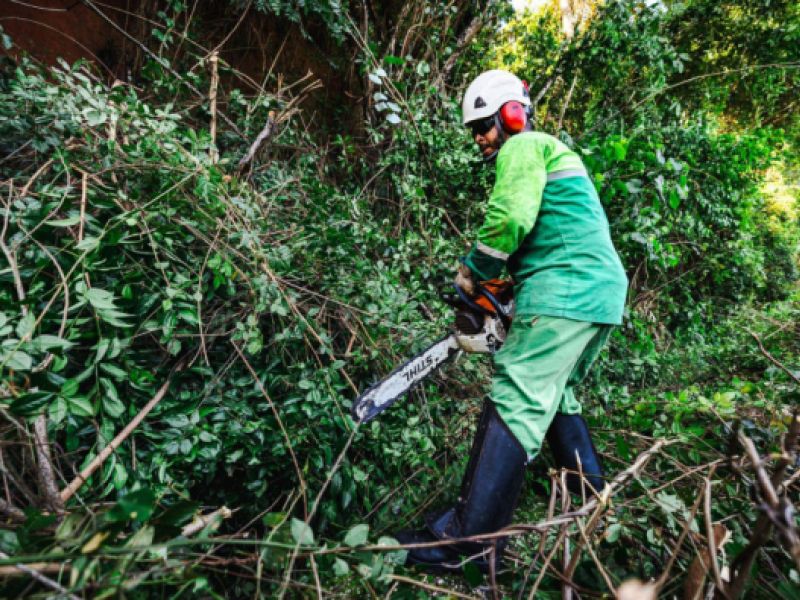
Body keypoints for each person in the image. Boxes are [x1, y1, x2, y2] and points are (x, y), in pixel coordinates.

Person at [396, 70, 628, 573]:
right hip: (598, 292)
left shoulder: (524, 147)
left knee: (518, 392)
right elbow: (545, 235)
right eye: (474, 130)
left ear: (511, 115)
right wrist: (503, 294)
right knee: (556, 393)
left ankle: (469, 545)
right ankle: (594, 508)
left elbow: (510, 217)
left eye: (484, 125)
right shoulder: (554, 154)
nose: (480, 137)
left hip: (568, 287)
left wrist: (473, 272)